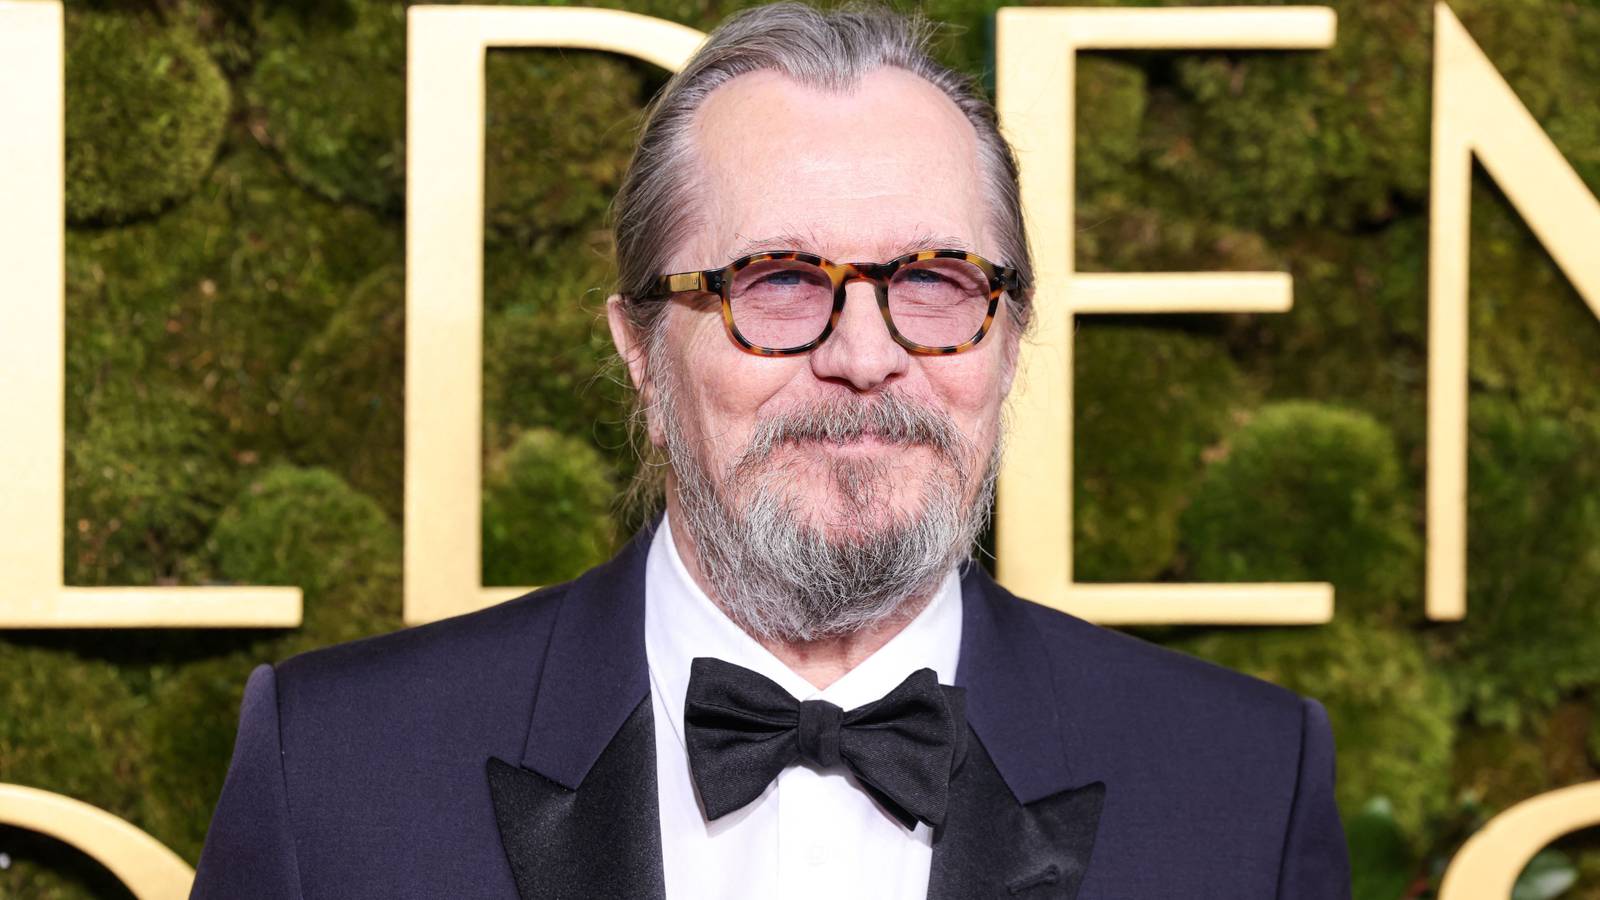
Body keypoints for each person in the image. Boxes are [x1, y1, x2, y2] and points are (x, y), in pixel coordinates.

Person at [189, 3, 1350, 898]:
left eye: (936, 282)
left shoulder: (1242, 788)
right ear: (641, 351)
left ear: (1009, 342)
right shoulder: (334, 775)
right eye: (779, 281)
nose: (864, 356)